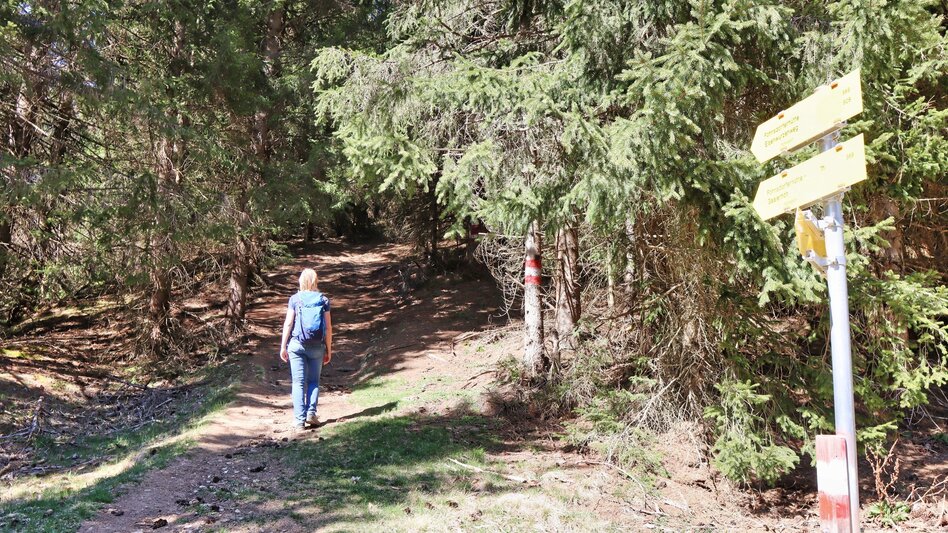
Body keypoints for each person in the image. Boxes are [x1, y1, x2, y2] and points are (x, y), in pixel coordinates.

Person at [279, 268, 332, 429]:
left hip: (296, 345)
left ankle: (299, 420)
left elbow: (288, 323)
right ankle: (311, 413)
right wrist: (328, 349)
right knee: (313, 381)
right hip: (317, 346)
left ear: (301, 281)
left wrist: (283, 346)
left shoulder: (295, 299)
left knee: (298, 382)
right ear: (316, 281)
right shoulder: (323, 300)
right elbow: (328, 328)